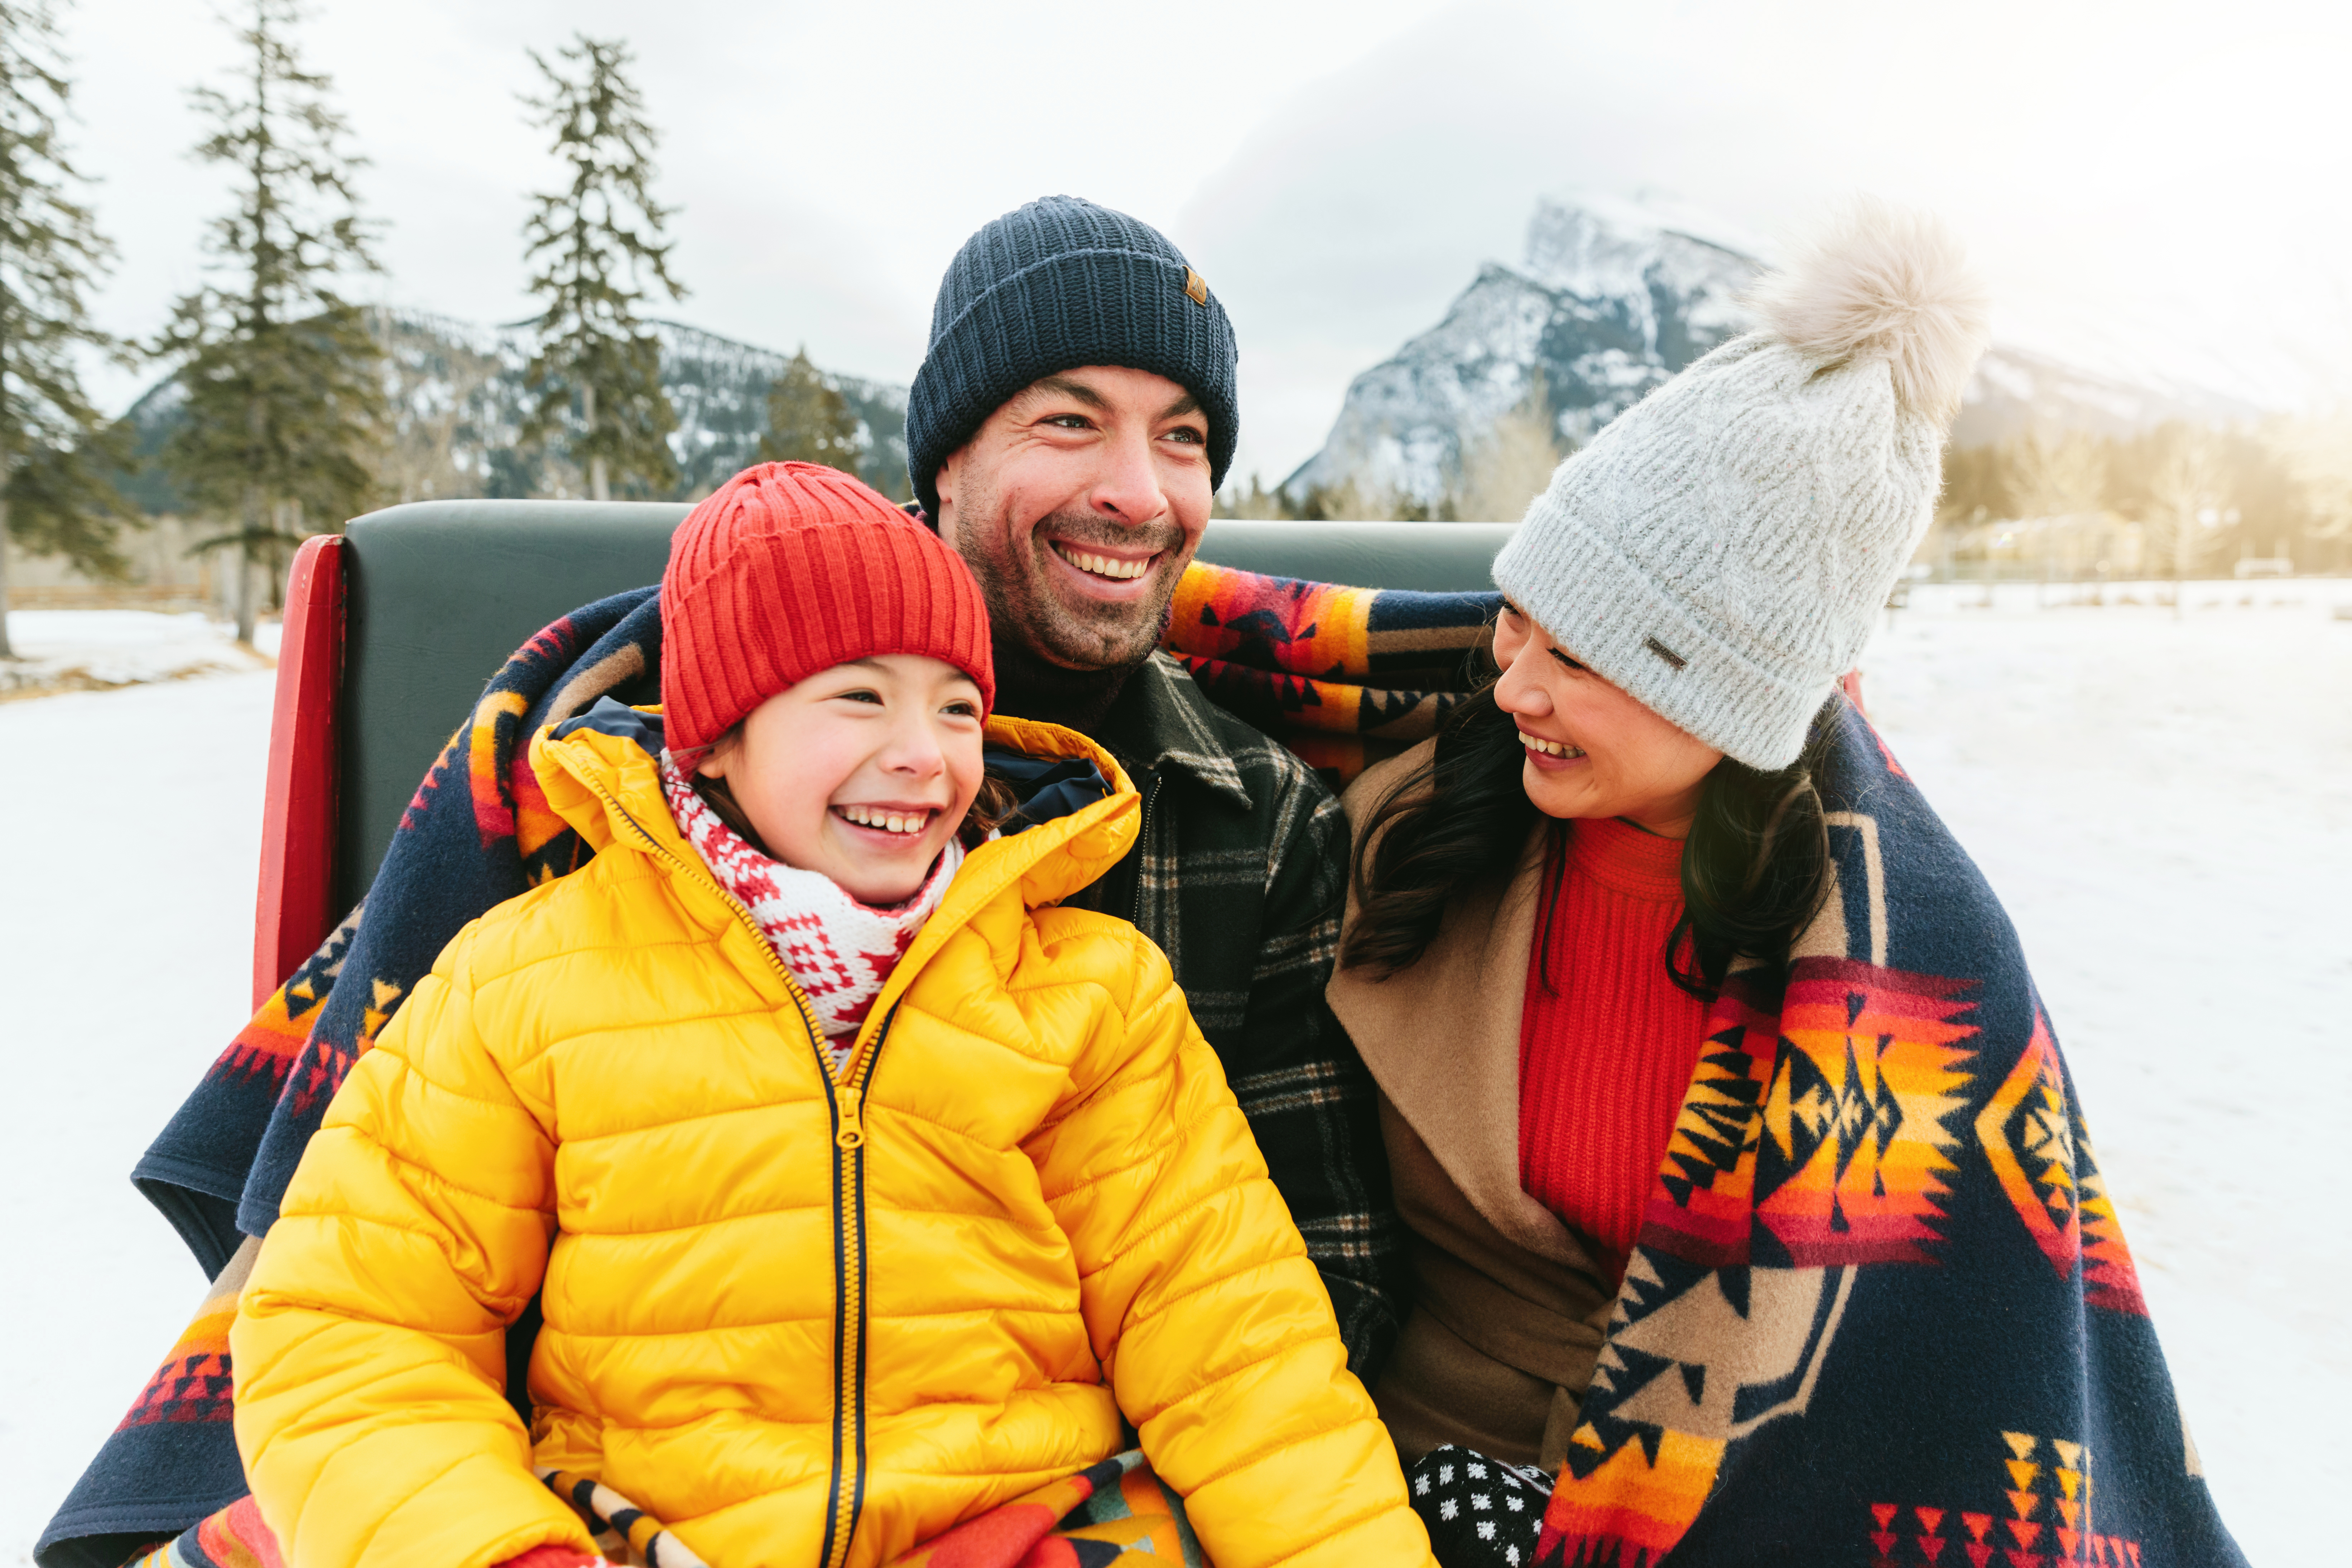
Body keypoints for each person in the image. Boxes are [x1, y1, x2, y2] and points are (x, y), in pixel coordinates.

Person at [229, 463, 1436, 1568]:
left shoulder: (1086, 994)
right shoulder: (529, 981)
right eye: (858, 698)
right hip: (648, 1527)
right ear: (715, 743)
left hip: (1026, 1527)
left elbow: (1241, 1356)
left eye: (959, 707)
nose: (923, 755)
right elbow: (351, 1329)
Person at [1327, 207, 2245, 1565]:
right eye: (1519, 614)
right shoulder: (1408, 814)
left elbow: (1986, 1388)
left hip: (1729, 1514)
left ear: (1738, 697)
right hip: (1358, 1469)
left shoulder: (1915, 970)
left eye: (1585, 659)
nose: (1512, 684)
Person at [904, 195, 1401, 1373]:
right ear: (946, 462)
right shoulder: (728, 750)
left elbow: (1326, 1266)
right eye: (1072, 420)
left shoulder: (1261, 814)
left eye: (1183, 438)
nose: (1142, 494)